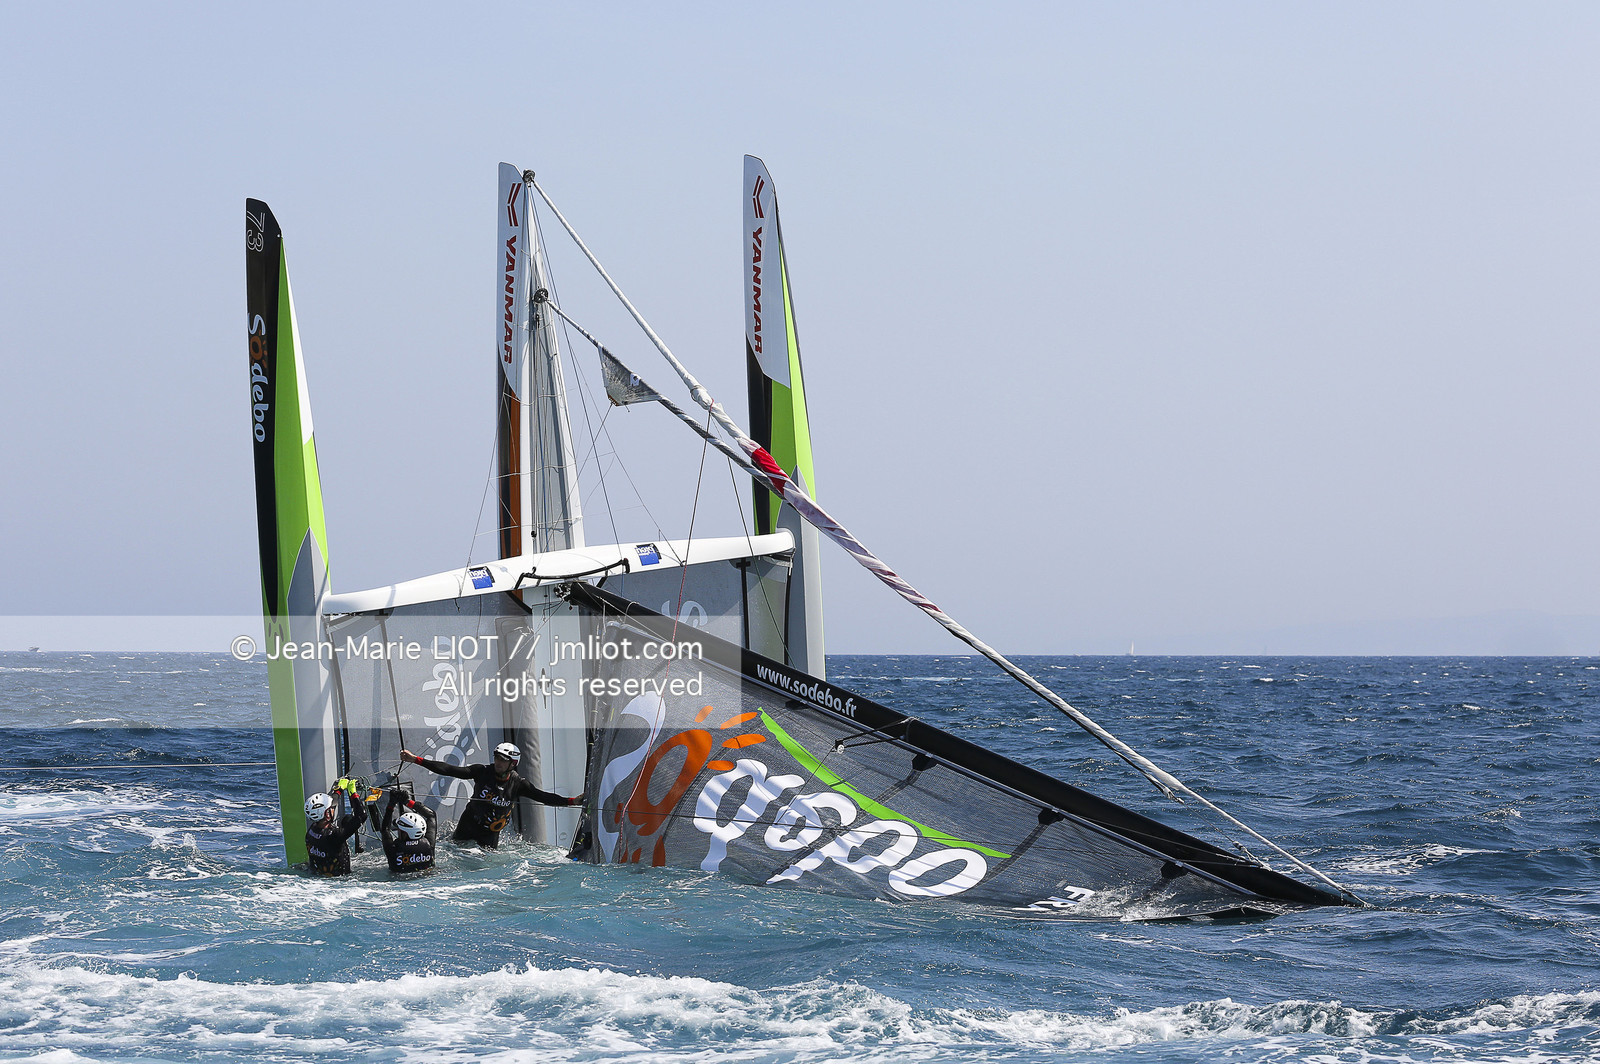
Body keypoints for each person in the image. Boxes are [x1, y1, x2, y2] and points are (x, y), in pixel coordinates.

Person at [400, 741, 584, 849]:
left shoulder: (519, 784)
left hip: (490, 833)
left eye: (503, 760)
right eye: (496, 758)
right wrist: (416, 759)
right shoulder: (482, 771)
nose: (498, 762)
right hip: (469, 824)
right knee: (454, 851)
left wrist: (572, 801)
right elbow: (450, 769)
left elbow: (543, 797)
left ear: (513, 764)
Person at [303, 782, 369, 875]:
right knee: (348, 820)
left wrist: (338, 791)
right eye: (331, 808)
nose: (333, 808)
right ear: (327, 814)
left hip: (318, 877)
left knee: (347, 820)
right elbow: (362, 815)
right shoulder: (335, 836)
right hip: (341, 881)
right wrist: (353, 792)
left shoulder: (311, 830)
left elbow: (329, 808)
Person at [378, 788, 437, 875]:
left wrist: (391, 804)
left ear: (404, 833)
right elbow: (431, 815)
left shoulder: (393, 849)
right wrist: (407, 801)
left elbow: (385, 829)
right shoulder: (428, 844)